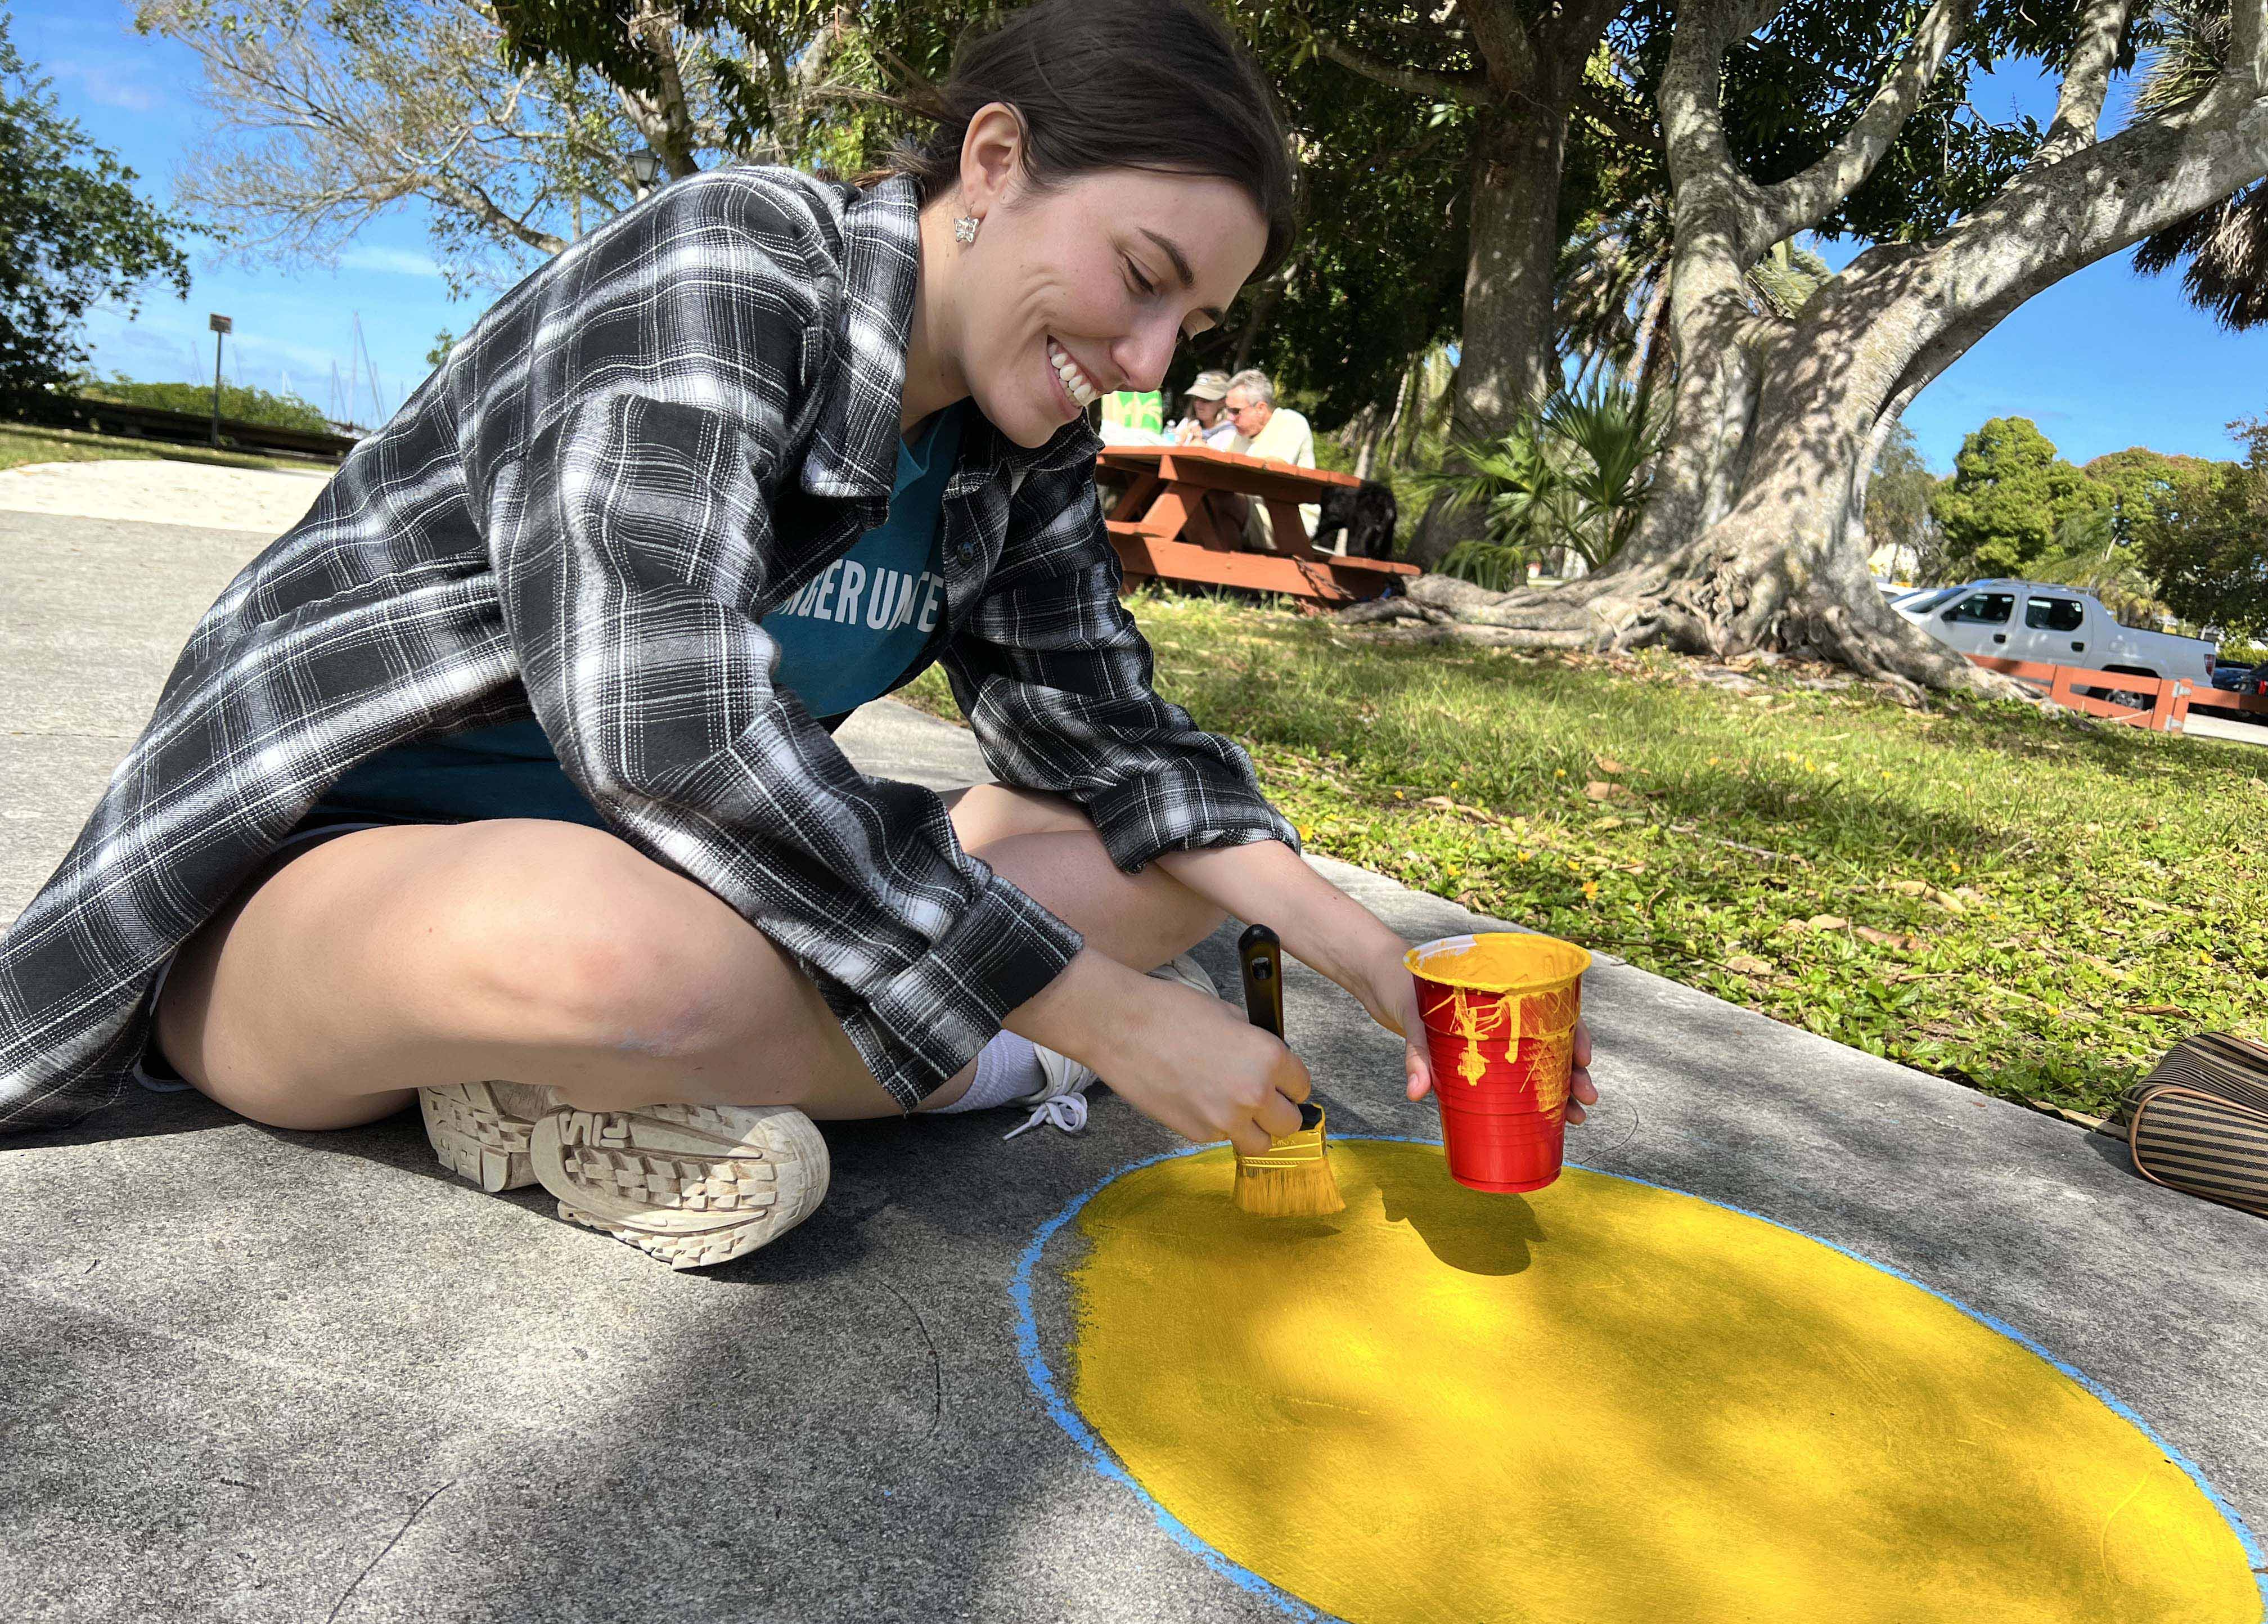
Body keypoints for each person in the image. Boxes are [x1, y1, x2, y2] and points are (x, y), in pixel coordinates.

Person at [0, 0, 1594, 1270]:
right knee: (632, 960)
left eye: (1192, 328)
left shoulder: (1015, 438)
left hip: (702, 887)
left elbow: (1113, 745)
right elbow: (668, 731)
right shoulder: (727, 262)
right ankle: (957, 1068)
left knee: (1170, 862)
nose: (1145, 355)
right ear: (993, 159)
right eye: (1142, 276)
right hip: (320, 908)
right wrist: (1080, 1018)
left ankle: (576, 1101)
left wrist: (1383, 966)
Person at [1222, 368, 1319, 549]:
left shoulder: (1291, 423)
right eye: (1228, 410)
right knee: (1204, 501)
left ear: (1261, 409)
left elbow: (1274, 468)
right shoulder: (1241, 436)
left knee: (1221, 499)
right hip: (1256, 511)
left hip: (1289, 523)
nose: (1230, 418)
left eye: (1236, 411)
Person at [1168, 370, 1239, 447]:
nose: (1199, 404)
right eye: (1196, 398)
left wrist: (1199, 443)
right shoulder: (1188, 422)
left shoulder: (1229, 432)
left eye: (1206, 400)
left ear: (1222, 402)